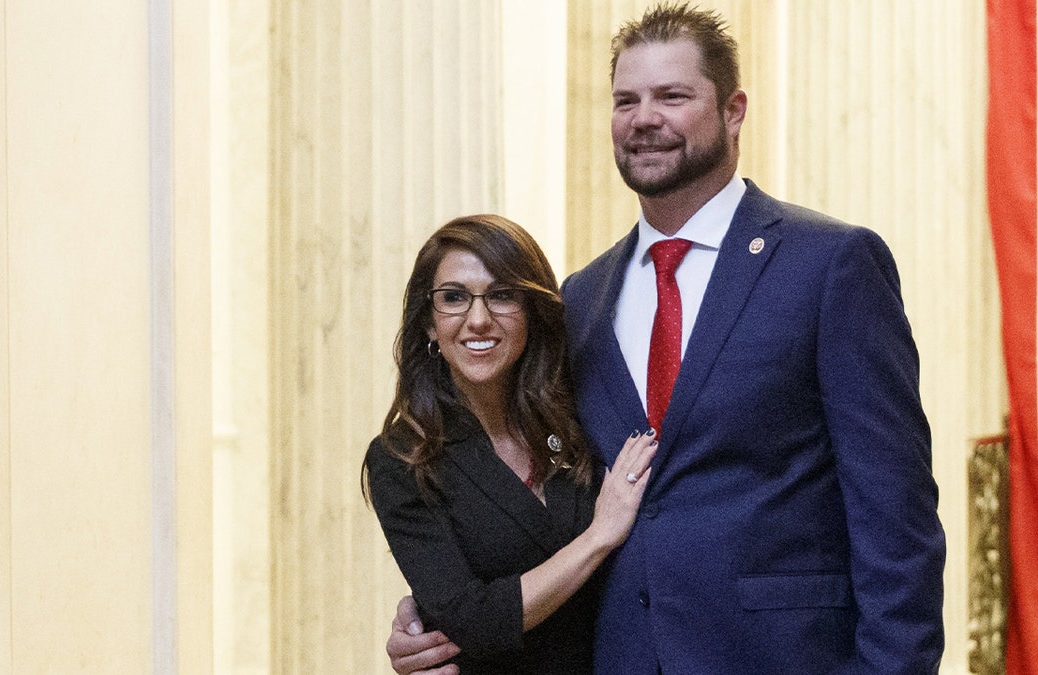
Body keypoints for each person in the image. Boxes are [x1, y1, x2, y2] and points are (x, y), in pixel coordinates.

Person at [385, 3, 946, 674]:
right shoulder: (581, 297)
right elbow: (526, 492)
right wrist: (438, 613)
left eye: (672, 96)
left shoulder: (830, 266)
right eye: (626, 100)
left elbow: (897, 518)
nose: (643, 118)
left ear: (734, 110)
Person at [364, 214, 659, 674]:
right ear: (428, 323)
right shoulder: (403, 458)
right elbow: (473, 620)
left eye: (502, 296)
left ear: (531, 312)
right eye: (454, 298)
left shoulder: (580, 417)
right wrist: (600, 536)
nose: (478, 319)